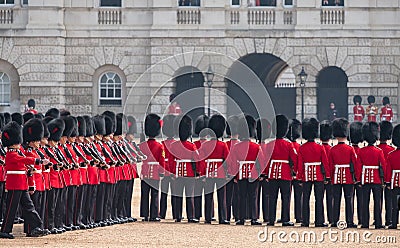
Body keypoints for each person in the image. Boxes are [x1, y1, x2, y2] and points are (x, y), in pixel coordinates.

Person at [0, 121, 50, 239]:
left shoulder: (16, 152)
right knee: (11, 209)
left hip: (21, 184)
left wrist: (29, 172)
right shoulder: (11, 154)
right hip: (14, 185)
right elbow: (23, 160)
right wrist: (38, 161)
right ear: (13, 142)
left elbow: (23, 164)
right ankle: (5, 230)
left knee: (29, 206)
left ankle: (36, 227)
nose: (19, 143)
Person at [228, 115, 264, 226]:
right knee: (253, 196)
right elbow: (262, 161)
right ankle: (253, 218)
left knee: (241, 196)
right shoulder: (256, 146)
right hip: (253, 173)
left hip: (241, 173)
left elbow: (233, 162)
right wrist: (260, 173)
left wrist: (234, 175)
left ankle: (241, 218)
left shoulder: (236, 147)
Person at [264, 115, 297, 227]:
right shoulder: (288, 144)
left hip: (273, 173)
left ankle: (271, 219)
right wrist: (295, 171)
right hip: (285, 173)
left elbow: (266, 160)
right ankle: (285, 219)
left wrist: (266, 173)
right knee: (286, 197)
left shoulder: (269, 144)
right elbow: (294, 159)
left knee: (272, 197)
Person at [297, 118, 330, 227]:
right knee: (319, 199)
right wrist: (327, 176)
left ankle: (305, 221)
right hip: (319, 176)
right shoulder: (320, 147)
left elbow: (300, 165)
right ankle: (319, 221)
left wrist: (299, 177)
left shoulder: (302, 148)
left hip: (306, 176)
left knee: (305, 198)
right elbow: (325, 163)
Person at [169, 115, 200, 223]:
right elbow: (196, 159)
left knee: (178, 196)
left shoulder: (173, 145)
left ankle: (177, 216)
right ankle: (190, 216)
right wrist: (198, 172)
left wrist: (172, 172)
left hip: (177, 172)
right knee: (189, 196)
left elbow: (172, 161)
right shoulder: (191, 146)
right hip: (189, 174)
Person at [200, 114, 230, 224]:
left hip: (208, 172)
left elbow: (202, 160)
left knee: (208, 197)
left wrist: (202, 173)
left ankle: (208, 217)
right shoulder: (222, 145)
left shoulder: (205, 145)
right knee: (222, 197)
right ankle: (223, 218)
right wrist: (228, 173)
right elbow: (227, 161)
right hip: (220, 172)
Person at [356, 122, 386, 229]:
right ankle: (378, 223)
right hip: (377, 179)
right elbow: (383, 166)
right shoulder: (379, 151)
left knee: (365, 202)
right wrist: (384, 180)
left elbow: (358, 167)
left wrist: (358, 179)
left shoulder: (361, 151)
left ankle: (365, 223)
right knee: (378, 202)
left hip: (365, 179)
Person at [329, 118, 357, 228]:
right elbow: (355, 164)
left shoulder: (332, 149)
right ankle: (349, 221)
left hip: (336, 176)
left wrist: (330, 177)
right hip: (348, 177)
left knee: (336, 199)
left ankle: (334, 221)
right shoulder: (350, 149)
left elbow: (330, 166)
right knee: (349, 199)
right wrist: (356, 177)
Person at [139, 114, 165, 222]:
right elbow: (162, 160)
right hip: (154, 172)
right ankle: (154, 215)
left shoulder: (142, 145)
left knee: (144, 194)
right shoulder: (159, 146)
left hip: (145, 171)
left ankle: (145, 214)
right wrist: (162, 172)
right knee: (155, 194)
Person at [377, 121, 395, 227]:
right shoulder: (391, 150)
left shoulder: (377, 149)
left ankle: (377, 220)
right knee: (389, 200)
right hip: (389, 178)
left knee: (377, 200)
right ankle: (389, 220)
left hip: (377, 177)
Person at [159, 115, 176, 220]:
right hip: (173, 171)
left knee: (163, 195)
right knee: (175, 195)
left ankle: (162, 213)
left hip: (164, 171)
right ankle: (176, 214)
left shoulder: (162, 144)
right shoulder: (177, 144)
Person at [286, 119, 302, 224]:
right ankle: (299, 216)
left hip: (287, 172)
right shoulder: (298, 146)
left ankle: (285, 216)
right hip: (294, 173)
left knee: (286, 197)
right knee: (298, 196)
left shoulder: (289, 145)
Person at [256, 118, 272, 224]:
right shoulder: (269, 146)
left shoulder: (255, 146)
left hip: (256, 174)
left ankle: (254, 215)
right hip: (267, 174)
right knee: (266, 196)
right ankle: (267, 216)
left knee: (255, 196)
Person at [349, 122, 363, 226]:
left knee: (350, 199)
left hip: (348, 176)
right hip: (360, 177)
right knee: (360, 199)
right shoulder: (361, 150)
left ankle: (349, 220)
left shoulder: (350, 149)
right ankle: (361, 220)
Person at [320, 120, 333, 226]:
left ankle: (320, 219)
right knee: (330, 198)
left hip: (319, 175)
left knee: (319, 199)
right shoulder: (331, 149)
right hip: (330, 176)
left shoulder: (319, 147)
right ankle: (331, 218)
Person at [387, 124, 400, 229]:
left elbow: (388, 170)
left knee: (394, 204)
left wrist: (387, 182)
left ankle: (394, 223)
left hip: (395, 181)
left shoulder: (391, 154)